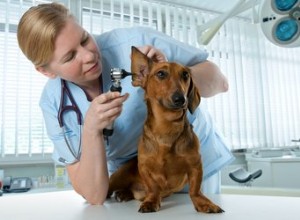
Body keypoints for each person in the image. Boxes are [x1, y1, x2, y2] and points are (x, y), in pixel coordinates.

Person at [17, 2, 234, 205]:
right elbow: (94, 195)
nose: (89, 56)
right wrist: (91, 129)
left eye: (84, 39)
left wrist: (171, 78)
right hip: (134, 180)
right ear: (46, 71)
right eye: (70, 56)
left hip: (188, 163)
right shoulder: (54, 105)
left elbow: (220, 82)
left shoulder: (136, 43)